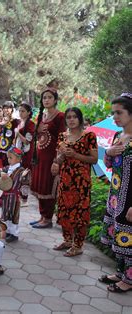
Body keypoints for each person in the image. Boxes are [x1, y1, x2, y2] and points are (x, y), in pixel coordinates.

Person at [52, 107, 97, 257]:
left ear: (80, 119)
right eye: (68, 117)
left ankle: (78, 245)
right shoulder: (62, 136)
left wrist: (76, 154)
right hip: (65, 180)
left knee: (79, 212)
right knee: (64, 209)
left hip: (81, 182)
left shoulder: (89, 135)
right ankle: (67, 240)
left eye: (74, 117)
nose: (71, 120)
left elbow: (94, 159)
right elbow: (58, 158)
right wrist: (59, 159)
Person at [99, 93, 132, 293]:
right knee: (119, 235)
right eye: (113, 114)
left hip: (129, 198)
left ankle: (129, 280)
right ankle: (120, 273)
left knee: (129, 238)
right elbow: (111, 165)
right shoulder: (118, 136)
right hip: (116, 195)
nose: (115, 118)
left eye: (119, 113)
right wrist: (109, 153)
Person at [30, 88, 66, 229]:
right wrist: (37, 131)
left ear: (55, 100)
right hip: (39, 158)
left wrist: (57, 160)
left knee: (48, 186)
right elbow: (36, 138)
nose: (46, 100)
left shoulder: (60, 117)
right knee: (40, 186)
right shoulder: (42, 116)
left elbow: (62, 139)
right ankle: (42, 216)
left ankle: (48, 218)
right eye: (44, 97)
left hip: (51, 158)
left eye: (50, 97)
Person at [0, 147, 30, 243]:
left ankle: (14, 234)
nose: (9, 160)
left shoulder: (22, 171)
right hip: (6, 196)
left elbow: (25, 185)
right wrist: (0, 173)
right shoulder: (7, 168)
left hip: (14, 197)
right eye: (8, 158)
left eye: (11, 158)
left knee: (13, 215)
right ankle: (8, 231)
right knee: (6, 213)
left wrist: (24, 198)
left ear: (19, 159)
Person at [14, 102, 35, 170]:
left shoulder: (31, 124)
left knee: (25, 171)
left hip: (26, 152)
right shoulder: (20, 122)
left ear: (28, 112)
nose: (20, 113)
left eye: (23, 111)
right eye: (19, 111)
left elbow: (27, 141)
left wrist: (18, 133)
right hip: (18, 151)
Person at [0, 101, 19, 167]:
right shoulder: (2, 119)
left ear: (12, 109)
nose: (6, 110)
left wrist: (15, 141)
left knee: (11, 159)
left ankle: (9, 175)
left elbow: (17, 132)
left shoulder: (15, 120)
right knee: (3, 159)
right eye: (5, 108)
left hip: (11, 142)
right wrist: (1, 124)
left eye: (8, 108)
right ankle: (3, 174)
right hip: (3, 142)